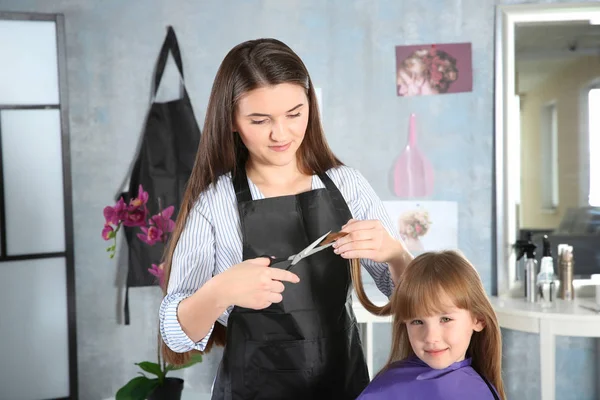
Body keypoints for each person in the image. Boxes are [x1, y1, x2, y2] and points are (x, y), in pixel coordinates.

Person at [157, 38, 413, 400]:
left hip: (342, 382)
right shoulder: (215, 203)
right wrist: (221, 291)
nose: (281, 134)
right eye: (260, 120)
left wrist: (396, 256)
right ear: (231, 121)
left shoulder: (347, 185)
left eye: (295, 114)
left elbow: (410, 298)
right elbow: (175, 331)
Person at [356, 251, 506, 400]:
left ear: (478, 320)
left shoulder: (482, 392)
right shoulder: (387, 387)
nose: (430, 337)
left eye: (445, 319)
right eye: (417, 321)